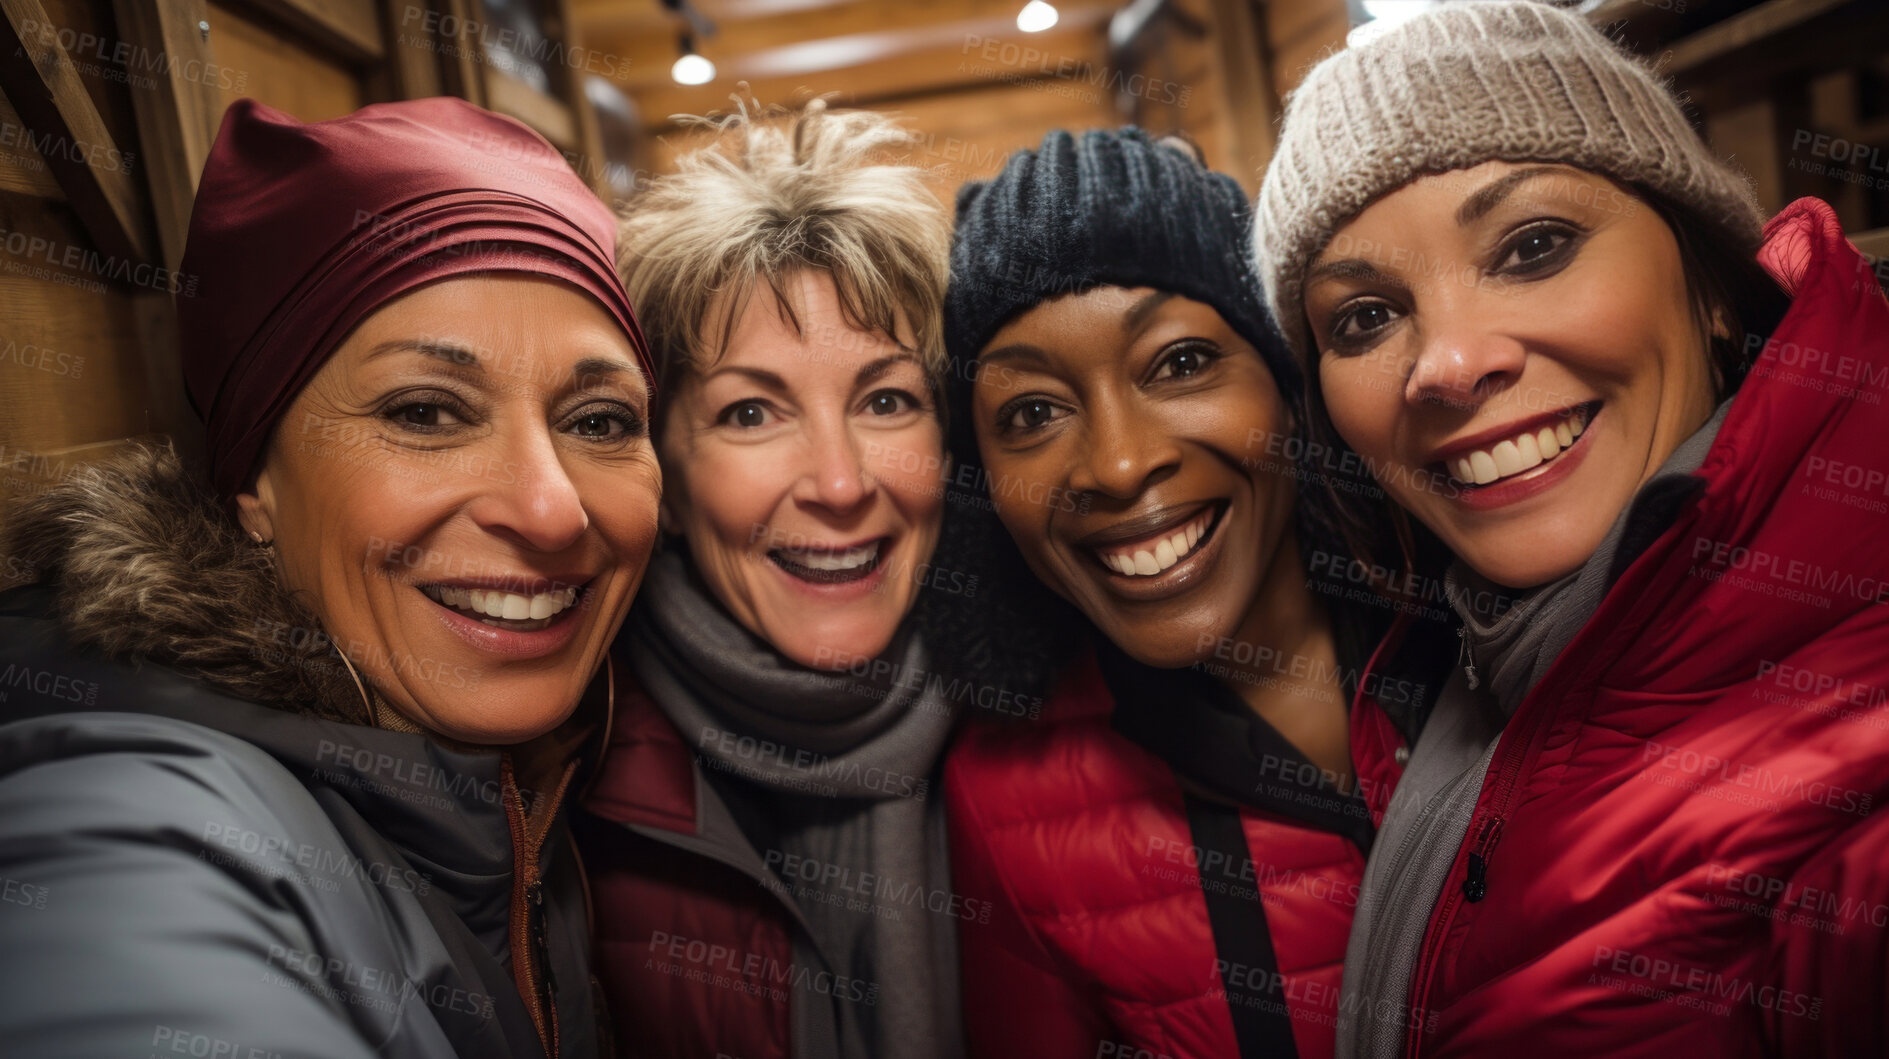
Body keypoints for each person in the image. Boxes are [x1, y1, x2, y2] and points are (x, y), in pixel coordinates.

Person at [1252, 3, 1889, 1056]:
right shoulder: (1449, 656)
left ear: (1710, 286)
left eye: (1532, 246)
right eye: (1363, 317)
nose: (1448, 363)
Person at [0, 97, 661, 1058]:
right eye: (426, 413)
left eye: (600, 420)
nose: (554, 508)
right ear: (253, 484)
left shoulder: (537, 765)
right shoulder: (140, 817)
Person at [940, 127, 1413, 1059]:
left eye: (1180, 362)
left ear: (1286, 383)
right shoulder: (1000, 801)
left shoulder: (1496, 637)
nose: (1117, 464)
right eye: (1031, 413)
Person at [574, 100, 962, 1059]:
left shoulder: (1054, 718)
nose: (839, 482)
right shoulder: (560, 779)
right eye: (751, 412)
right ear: (662, 472)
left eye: (886, 399)